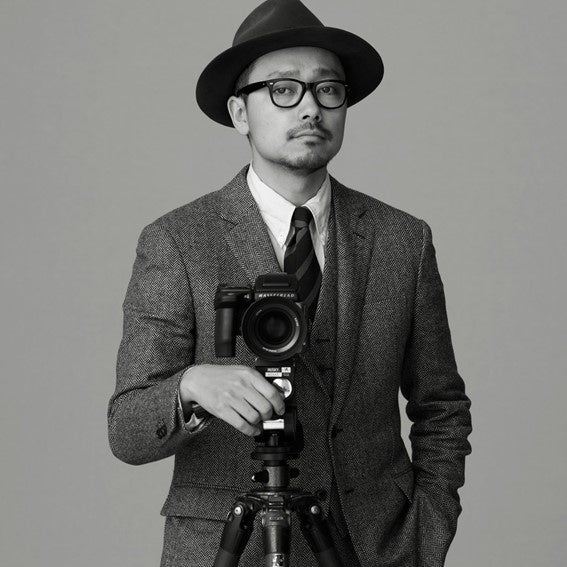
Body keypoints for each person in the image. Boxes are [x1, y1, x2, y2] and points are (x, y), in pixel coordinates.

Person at [107, 1, 473, 566]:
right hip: (227, 546)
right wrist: (192, 386)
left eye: (328, 90)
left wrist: (427, 533)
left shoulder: (402, 240)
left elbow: (442, 405)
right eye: (283, 89)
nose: (309, 108)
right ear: (240, 112)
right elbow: (127, 429)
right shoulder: (177, 241)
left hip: (375, 544)